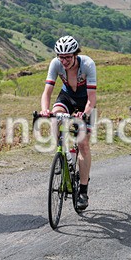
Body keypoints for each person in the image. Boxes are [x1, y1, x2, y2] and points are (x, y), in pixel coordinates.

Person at [40, 35, 97, 209]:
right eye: (60, 57)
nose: (63, 61)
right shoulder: (55, 64)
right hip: (66, 97)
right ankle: (61, 154)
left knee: (83, 144)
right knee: (55, 118)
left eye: (67, 57)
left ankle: (83, 192)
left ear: (75, 54)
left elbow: (92, 98)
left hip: (85, 102)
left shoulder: (87, 64)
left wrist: (84, 114)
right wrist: (45, 110)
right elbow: (47, 92)